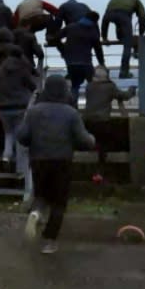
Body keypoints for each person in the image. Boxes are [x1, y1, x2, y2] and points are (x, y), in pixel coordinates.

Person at [18, 75, 96, 254]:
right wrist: (92, 139)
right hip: (62, 161)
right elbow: (84, 140)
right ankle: (49, 241)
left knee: (41, 195)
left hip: (38, 160)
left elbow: (22, 136)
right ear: (63, 90)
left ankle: (36, 213)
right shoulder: (70, 113)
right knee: (59, 203)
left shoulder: (34, 111)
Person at [84, 66, 136, 178]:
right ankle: (100, 171)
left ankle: (95, 169)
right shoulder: (109, 87)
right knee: (105, 142)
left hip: (87, 121)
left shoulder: (89, 86)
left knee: (96, 142)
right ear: (106, 76)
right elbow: (124, 96)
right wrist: (132, 89)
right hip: (102, 122)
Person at [0, 48, 36, 176]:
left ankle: (6, 156)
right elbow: (31, 85)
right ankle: (21, 170)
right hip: (20, 106)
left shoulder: (0, 70)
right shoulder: (22, 69)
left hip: (3, 107)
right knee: (20, 136)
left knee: (8, 133)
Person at [59, 12, 105, 104]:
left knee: (75, 86)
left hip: (71, 62)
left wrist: (63, 49)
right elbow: (98, 49)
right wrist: (102, 63)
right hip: (86, 62)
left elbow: (56, 37)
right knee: (93, 85)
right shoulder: (93, 31)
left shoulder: (71, 27)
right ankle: (93, 106)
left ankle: (73, 107)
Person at [102, 0, 145, 79]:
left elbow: (105, 21)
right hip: (123, 15)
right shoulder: (136, 0)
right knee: (128, 44)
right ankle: (124, 72)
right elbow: (142, 17)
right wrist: (141, 34)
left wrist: (104, 38)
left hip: (110, 14)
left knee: (120, 25)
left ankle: (121, 37)